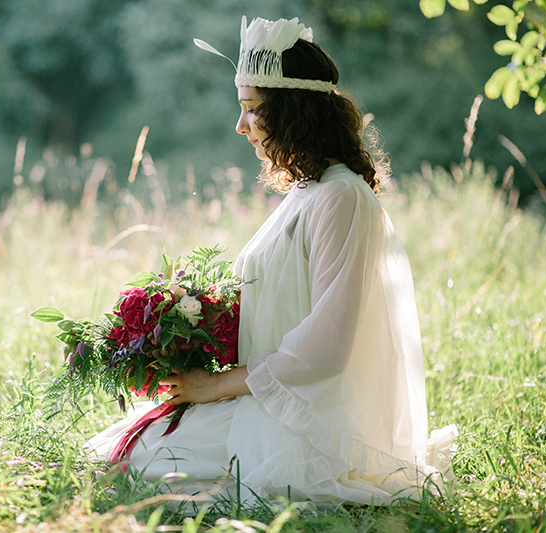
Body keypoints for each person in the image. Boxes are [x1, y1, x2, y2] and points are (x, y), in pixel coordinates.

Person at [87, 15, 457, 508]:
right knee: (117, 451)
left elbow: (326, 346)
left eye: (251, 109)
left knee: (139, 466)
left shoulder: (340, 197)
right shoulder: (310, 191)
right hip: (266, 397)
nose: (240, 126)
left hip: (304, 419)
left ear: (292, 112)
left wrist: (215, 387)